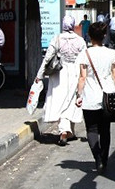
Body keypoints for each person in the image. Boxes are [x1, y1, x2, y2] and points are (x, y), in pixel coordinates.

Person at [75, 21, 115, 174]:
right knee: (105, 130)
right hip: (108, 97)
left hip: (90, 98)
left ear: (89, 36)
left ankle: (97, 159)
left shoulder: (84, 54)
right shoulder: (112, 54)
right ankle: (104, 160)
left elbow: (82, 78)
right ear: (104, 36)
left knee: (91, 129)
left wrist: (79, 95)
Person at [35, 15, 87, 146]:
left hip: (59, 74)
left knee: (62, 100)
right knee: (72, 100)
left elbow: (47, 58)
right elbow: (85, 60)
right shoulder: (80, 41)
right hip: (75, 72)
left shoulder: (57, 39)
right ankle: (67, 131)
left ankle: (66, 131)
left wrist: (39, 75)